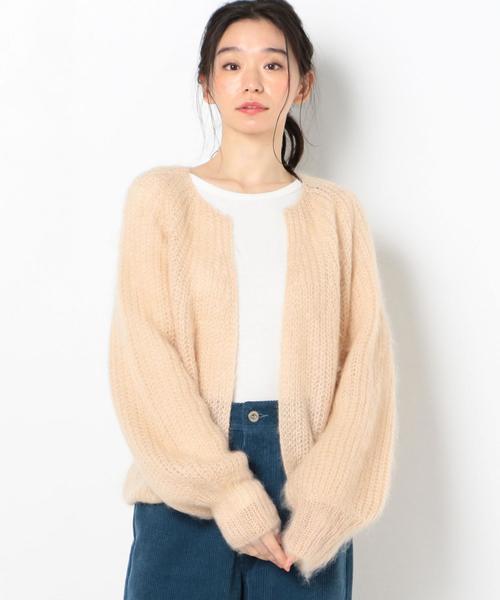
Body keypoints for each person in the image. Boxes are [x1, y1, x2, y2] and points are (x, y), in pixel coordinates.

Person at [108, 1, 397, 598]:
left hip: (308, 492)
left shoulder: (336, 213)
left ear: (302, 84)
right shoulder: (160, 199)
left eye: (272, 64)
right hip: (182, 488)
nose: (252, 82)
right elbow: (145, 357)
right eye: (231, 64)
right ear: (207, 84)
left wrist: (326, 506)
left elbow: (366, 369)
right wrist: (226, 491)